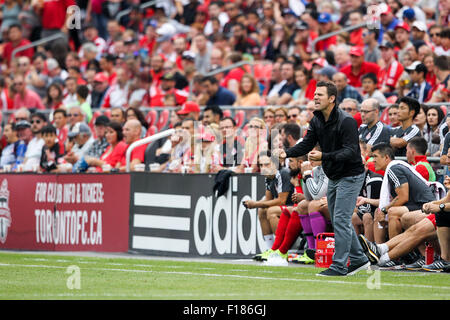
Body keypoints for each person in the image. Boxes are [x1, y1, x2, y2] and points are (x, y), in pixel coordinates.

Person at [276, 81, 370, 276]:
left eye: (320, 95)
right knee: (338, 220)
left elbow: (352, 152)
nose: (315, 97)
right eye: (314, 94)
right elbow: (307, 144)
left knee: (341, 219)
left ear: (332, 98)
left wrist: (324, 157)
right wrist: (287, 153)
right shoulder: (316, 120)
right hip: (334, 175)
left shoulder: (347, 121)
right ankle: (360, 259)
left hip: (351, 175)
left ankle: (339, 265)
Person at [370, 143, 437, 243]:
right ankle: (378, 249)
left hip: (424, 205)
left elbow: (403, 197)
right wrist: (371, 203)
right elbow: (390, 200)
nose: (373, 160)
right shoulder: (393, 169)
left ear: (386, 157)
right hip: (416, 204)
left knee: (392, 212)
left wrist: (384, 210)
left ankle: (392, 253)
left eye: (375, 156)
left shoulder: (394, 169)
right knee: (378, 212)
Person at [243, 150, 294, 265]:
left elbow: (282, 200)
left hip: (293, 207)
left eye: (267, 164)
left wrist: (255, 204)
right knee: (262, 210)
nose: (263, 167)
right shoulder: (268, 177)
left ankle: (281, 249)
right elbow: (267, 199)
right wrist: (256, 204)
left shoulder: (283, 173)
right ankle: (270, 248)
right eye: (261, 165)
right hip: (285, 208)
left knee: (271, 211)